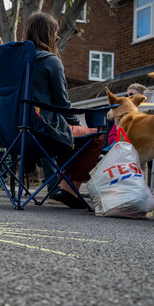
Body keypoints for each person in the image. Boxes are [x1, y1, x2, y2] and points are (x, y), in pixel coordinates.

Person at [24, 12, 104, 209]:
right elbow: (62, 102)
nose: (58, 37)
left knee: (71, 138)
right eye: (56, 33)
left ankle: (64, 189)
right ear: (49, 35)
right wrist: (76, 124)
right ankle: (69, 189)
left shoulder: (12, 62)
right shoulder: (50, 60)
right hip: (41, 129)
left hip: (13, 131)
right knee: (97, 136)